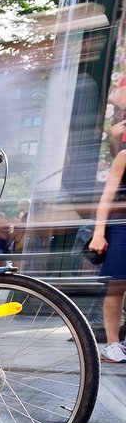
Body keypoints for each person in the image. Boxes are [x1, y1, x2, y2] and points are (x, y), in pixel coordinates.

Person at [88, 131, 126, 363]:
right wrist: (99, 233)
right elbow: (107, 197)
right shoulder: (124, 157)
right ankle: (112, 344)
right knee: (116, 286)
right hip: (121, 227)